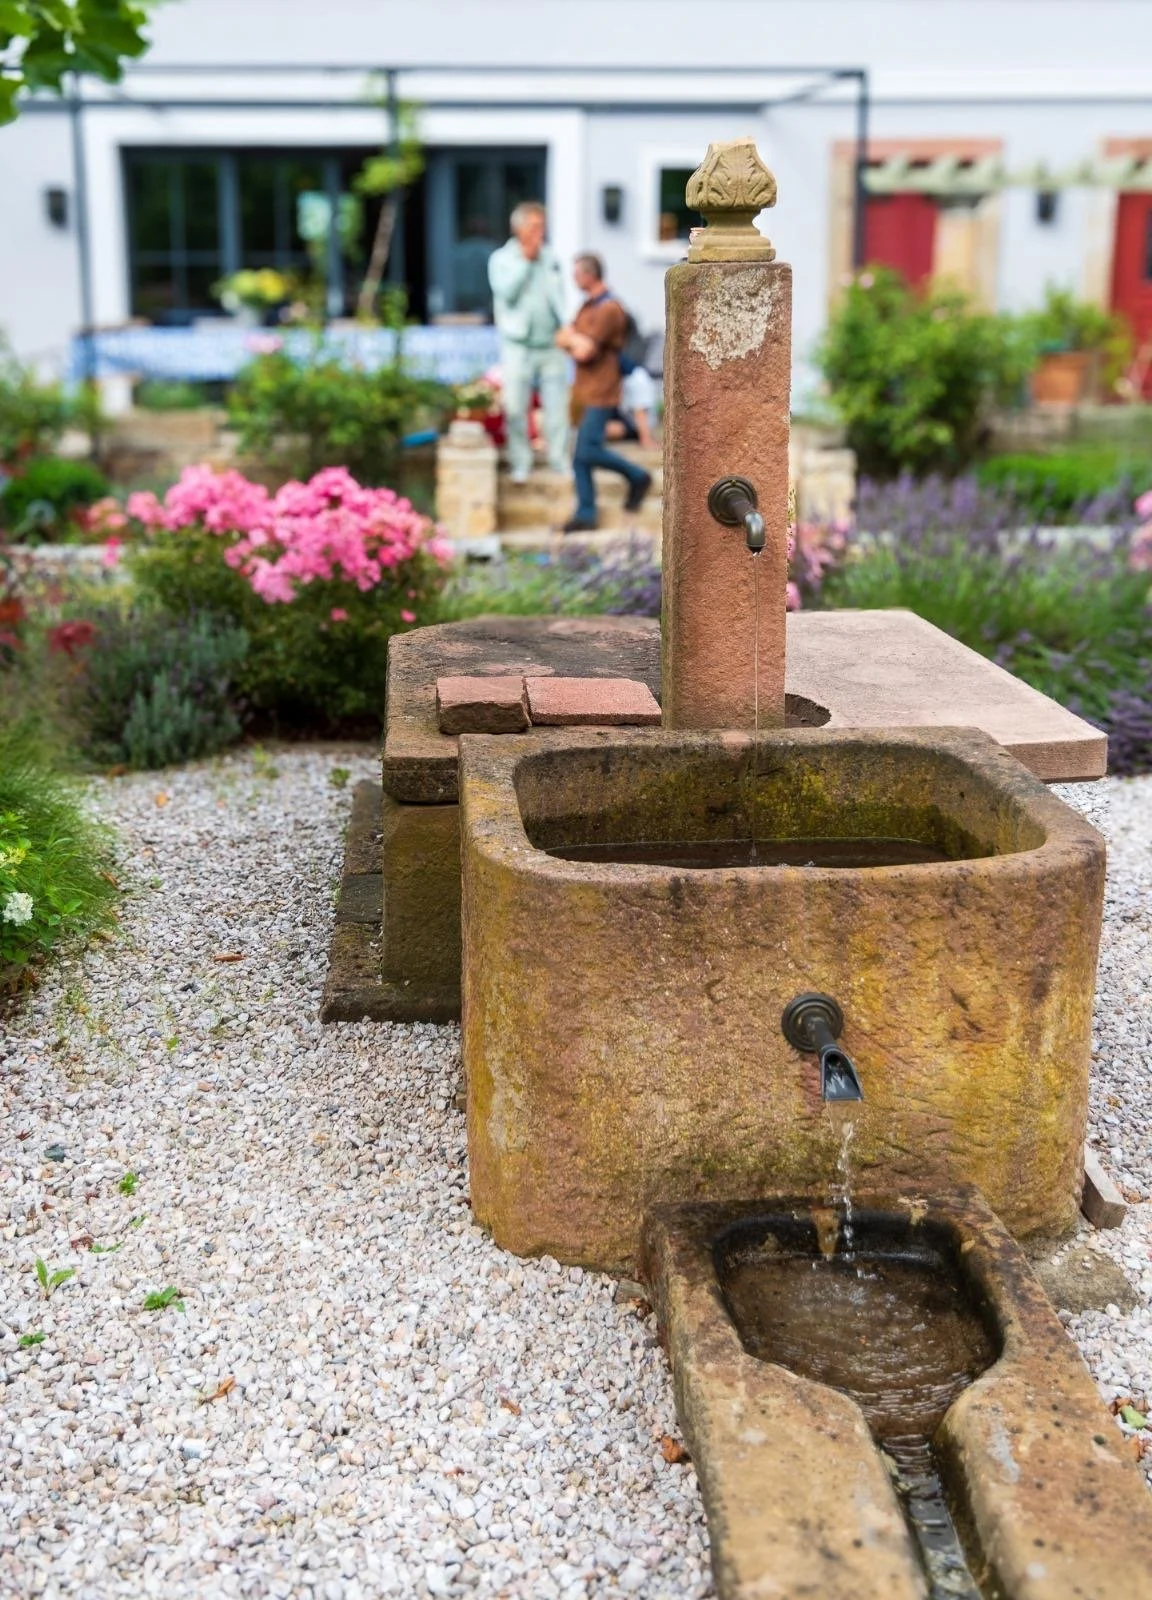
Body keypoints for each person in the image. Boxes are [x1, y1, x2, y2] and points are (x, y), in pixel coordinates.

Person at [555, 254, 653, 532]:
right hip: (583, 390)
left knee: (588, 449)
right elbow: (560, 337)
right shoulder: (587, 305)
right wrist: (573, 340)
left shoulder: (610, 309)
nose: (573, 279)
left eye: (576, 274)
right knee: (579, 456)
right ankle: (585, 513)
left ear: (589, 275)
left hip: (602, 390)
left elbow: (585, 351)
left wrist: (573, 340)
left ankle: (637, 475)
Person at [487, 201, 569, 483]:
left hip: (550, 343)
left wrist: (565, 326)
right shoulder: (501, 259)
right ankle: (521, 463)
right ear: (519, 228)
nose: (539, 232)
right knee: (516, 407)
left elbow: (558, 297)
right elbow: (506, 293)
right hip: (517, 344)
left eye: (542, 226)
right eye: (534, 226)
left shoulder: (551, 257)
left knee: (557, 407)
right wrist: (526, 261)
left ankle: (559, 460)